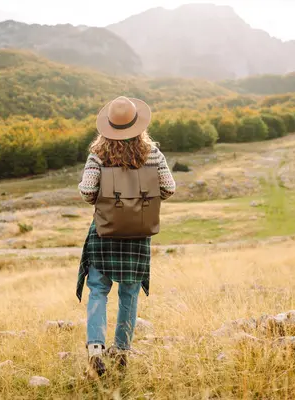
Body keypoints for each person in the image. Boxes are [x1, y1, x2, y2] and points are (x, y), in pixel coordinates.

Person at [76, 96, 176, 377]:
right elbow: (169, 189)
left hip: (105, 230)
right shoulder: (153, 153)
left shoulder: (98, 154)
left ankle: (95, 348)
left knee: (97, 289)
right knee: (129, 293)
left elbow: (86, 192)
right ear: (138, 124)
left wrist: (106, 198)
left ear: (108, 127)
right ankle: (121, 351)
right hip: (138, 234)